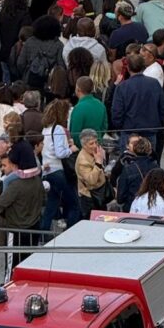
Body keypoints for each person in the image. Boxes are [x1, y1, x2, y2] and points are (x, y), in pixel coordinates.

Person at [111, 53, 164, 150]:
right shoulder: (154, 83)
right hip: (148, 131)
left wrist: (122, 127)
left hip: (130, 132)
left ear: (128, 68)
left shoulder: (123, 87)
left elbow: (116, 112)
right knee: (148, 161)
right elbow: (163, 108)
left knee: (129, 162)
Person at [39, 98, 79, 230]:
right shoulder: (59, 129)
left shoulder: (46, 129)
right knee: (74, 204)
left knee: (52, 205)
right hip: (58, 172)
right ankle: (71, 232)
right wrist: (71, 149)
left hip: (47, 171)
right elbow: (60, 153)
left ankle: (43, 233)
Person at [111, 134, 156, 211]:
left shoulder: (129, 169)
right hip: (152, 203)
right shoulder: (155, 165)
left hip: (132, 205)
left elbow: (121, 197)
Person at [75, 129, 108, 220]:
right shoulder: (83, 161)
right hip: (90, 198)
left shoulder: (94, 152)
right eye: (91, 143)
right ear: (84, 145)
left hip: (99, 194)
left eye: (96, 142)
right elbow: (91, 181)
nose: (95, 145)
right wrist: (98, 163)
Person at [68, 76, 108, 147]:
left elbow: (74, 132)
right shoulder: (101, 105)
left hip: (83, 148)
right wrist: (97, 140)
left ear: (78, 89)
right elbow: (104, 127)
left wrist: (80, 146)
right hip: (97, 146)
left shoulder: (78, 108)